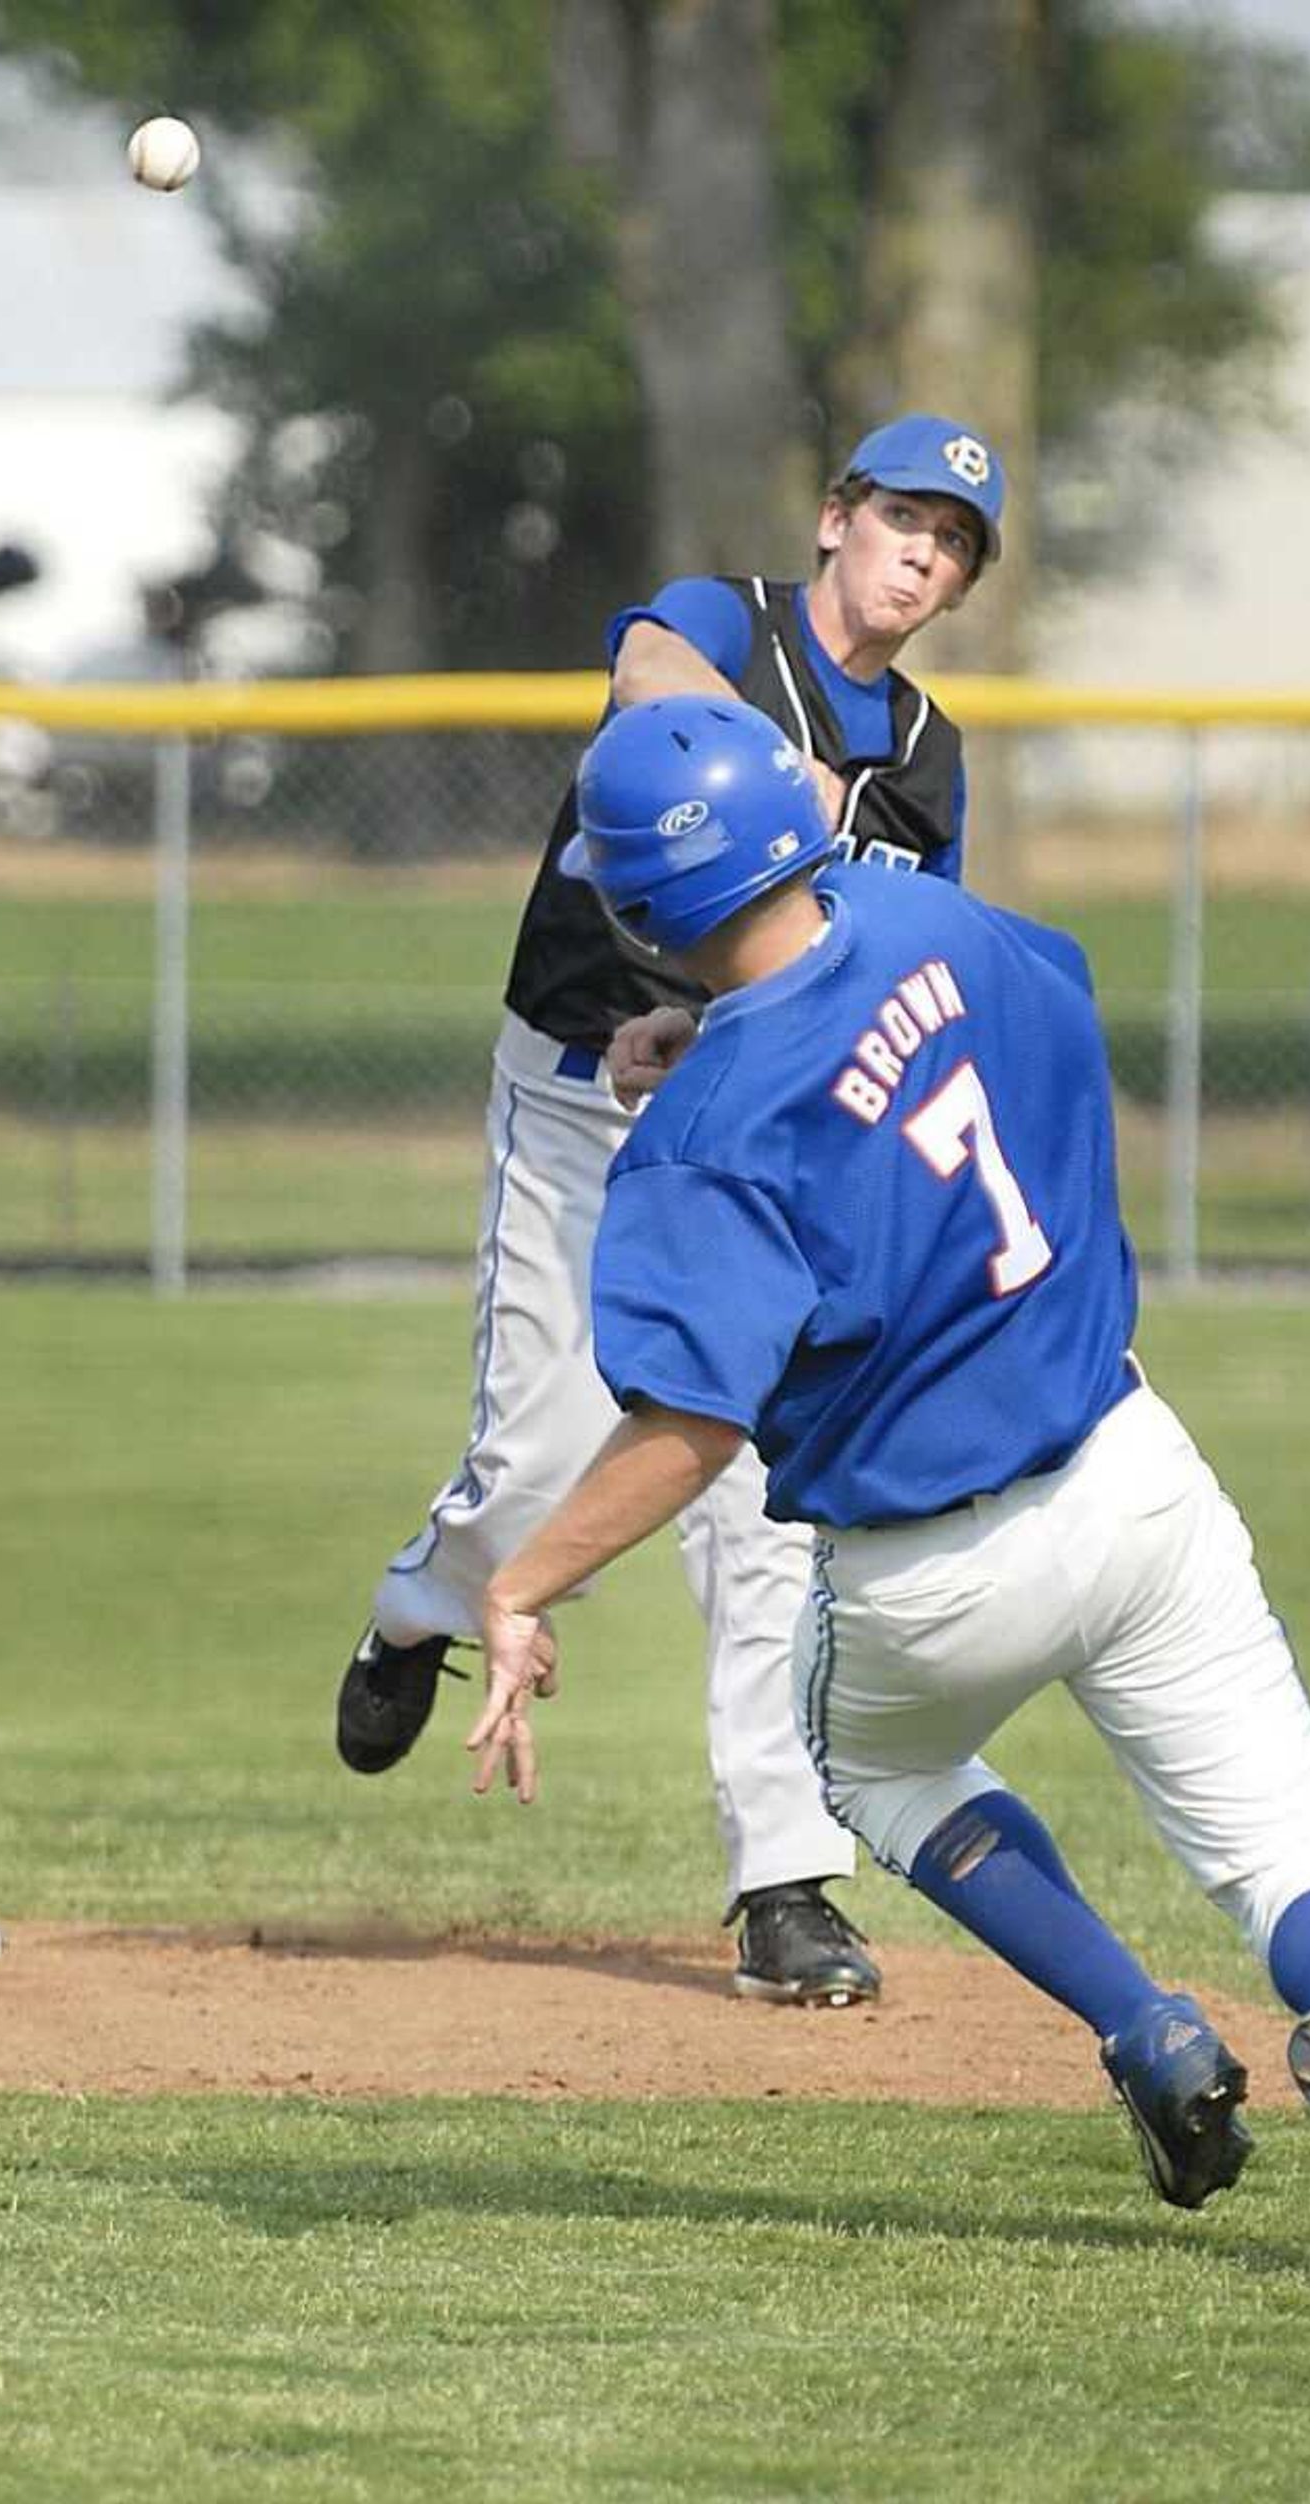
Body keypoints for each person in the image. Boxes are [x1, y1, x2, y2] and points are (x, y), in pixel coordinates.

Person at [464, 694, 1310, 2292]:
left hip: (927, 1575)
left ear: (632, 906)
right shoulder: (928, 913)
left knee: (871, 1766)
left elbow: (688, 1422)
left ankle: (1144, 2027)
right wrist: (731, 1032)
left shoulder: (705, 1142)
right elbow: (992, 1021)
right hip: (1129, 1472)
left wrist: (519, 1588)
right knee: (1292, 1839)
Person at [336, 415, 1008, 2009]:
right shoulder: (728, 623)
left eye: (957, 540)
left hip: (753, 1129)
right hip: (575, 1091)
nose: (925, 552)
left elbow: (891, 947)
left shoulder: (925, 758)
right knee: (541, 1455)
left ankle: (786, 1885)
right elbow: (645, 681)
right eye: (905, 516)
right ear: (837, 514)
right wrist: (784, 782)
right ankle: (424, 1604)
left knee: (761, 1513)